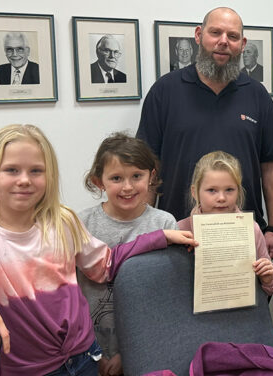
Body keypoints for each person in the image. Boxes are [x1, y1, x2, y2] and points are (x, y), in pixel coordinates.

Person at [0, 124, 196, 375]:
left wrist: (159, 237)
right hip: (25, 368)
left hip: (84, 358)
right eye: (11, 170)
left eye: (36, 171)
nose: (24, 180)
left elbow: (106, 266)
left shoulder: (63, 221)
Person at [137, 7, 273, 259]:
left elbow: (270, 166)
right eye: (215, 32)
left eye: (233, 36)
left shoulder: (257, 94)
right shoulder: (165, 91)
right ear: (198, 35)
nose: (223, 41)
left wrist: (272, 228)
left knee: (247, 299)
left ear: (242, 43)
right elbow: (147, 167)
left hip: (243, 233)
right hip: (177, 233)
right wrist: (145, 229)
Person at [77, 133, 178, 376]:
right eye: (116, 178)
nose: (127, 187)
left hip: (146, 345)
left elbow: (166, 296)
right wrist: (91, 349)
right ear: (99, 181)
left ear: (151, 176)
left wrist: (128, 352)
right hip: (89, 347)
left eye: (136, 176)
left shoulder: (164, 223)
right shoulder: (82, 224)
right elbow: (71, 293)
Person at [177, 151, 273, 296]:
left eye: (229, 190)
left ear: (238, 191)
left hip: (240, 312)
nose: (221, 198)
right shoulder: (180, 231)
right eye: (212, 190)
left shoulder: (251, 229)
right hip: (190, 314)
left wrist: (267, 277)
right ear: (195, 192)